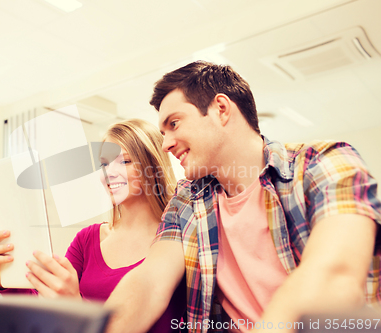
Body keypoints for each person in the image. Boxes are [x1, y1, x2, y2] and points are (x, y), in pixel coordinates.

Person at [104, 61, 381, 333]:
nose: (165, 144)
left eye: (174, 124)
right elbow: (150, 281)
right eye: (163, 133)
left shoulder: (323, 163)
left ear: (221, 109)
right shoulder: (188, 198)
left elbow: (334, 274)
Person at [0, 119, 186, 331]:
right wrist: (4, 278)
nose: (110, 172)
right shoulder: (88, 239)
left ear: (153, 168)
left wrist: (77, 304)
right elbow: (47, 301)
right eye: (104, 164)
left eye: (124, 162)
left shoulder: (177, 240)